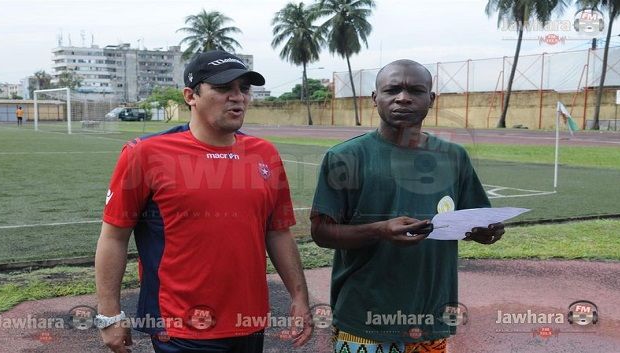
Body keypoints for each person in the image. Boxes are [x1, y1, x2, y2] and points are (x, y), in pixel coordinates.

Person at [95, 50, 313, 353]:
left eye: (244, 89)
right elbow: (114, 237)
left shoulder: (265, 154)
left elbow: (277, 231)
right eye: (224, 88)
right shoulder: (144, 154)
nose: (237, 97)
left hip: (249, 321)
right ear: (191, 95)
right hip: (180, 326)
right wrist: (109, 315)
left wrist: (300, 297)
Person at [310, 59, 505, 353]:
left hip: (430, 316)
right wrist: (379, 231)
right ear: (375, 98)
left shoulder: (453, 156)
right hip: (364, 316)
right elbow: (321, 233)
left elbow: (469, 221)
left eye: (415, 90)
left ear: (431, 99)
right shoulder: (345, 157)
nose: (403, 97)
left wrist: (482, 231)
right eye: (392, 90)